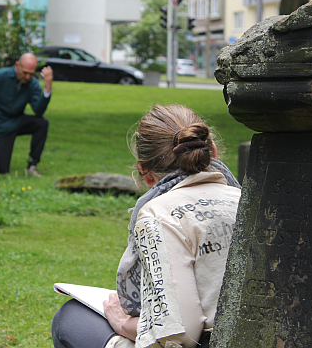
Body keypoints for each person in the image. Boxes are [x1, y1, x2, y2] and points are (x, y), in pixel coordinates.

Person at [52, 104, 242, 348]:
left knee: (71, 318)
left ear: (145, 172)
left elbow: (180, 334)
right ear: (212, 151)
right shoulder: (248, 200)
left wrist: (122, 323)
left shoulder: (159, 214)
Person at [0, 53, 53, 177]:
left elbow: (38, 111)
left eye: (31, 73)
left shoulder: (31, 84)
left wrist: (47, 89)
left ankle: (32, 165)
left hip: (16, 120)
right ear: (17, 65)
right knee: (2, 170)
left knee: (42, 123)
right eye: (25, 72)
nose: (28, 76)